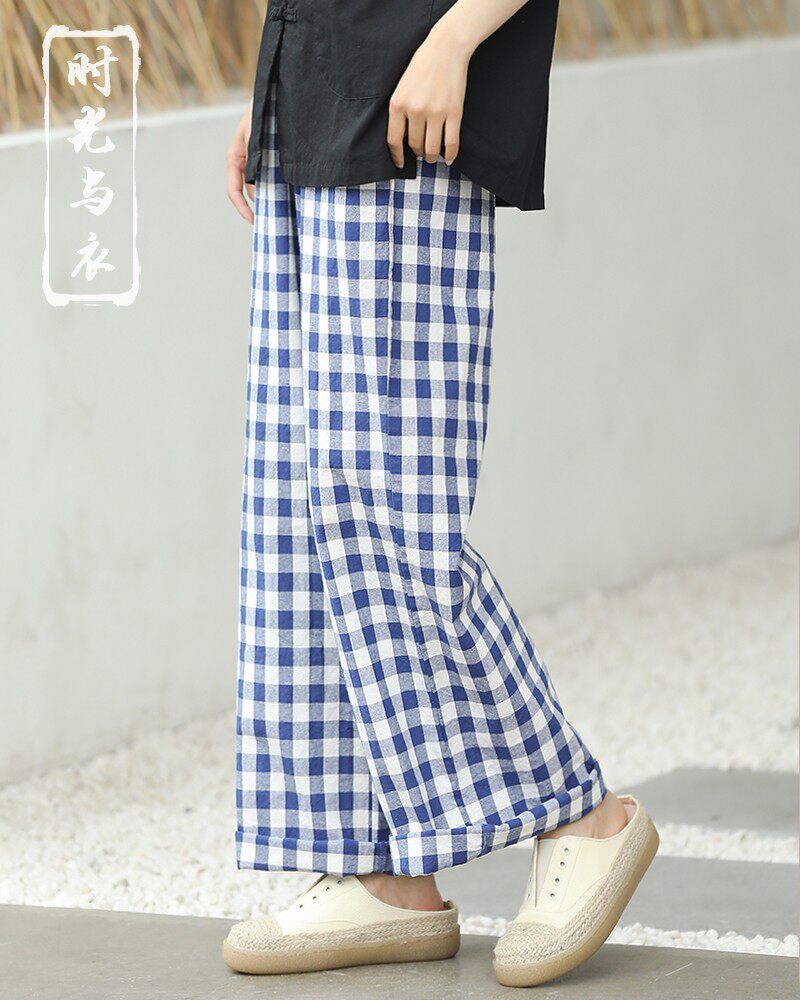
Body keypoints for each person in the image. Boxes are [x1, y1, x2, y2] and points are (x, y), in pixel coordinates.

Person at [221, 0, 657, 987]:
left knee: (380, 500)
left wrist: (456, 36)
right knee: (299, 497)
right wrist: (279, 79)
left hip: (410, 98)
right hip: (320, 87)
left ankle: (578, 811)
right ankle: (382, 869)